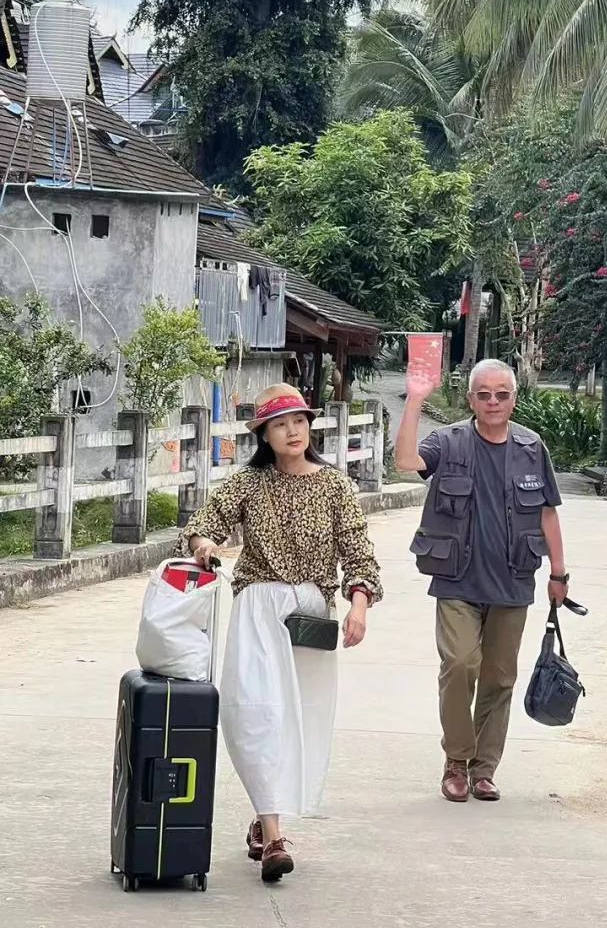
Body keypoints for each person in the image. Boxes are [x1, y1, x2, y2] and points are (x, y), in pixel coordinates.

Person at [181, 383, 382, 883]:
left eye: (298, 421)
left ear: (309, 426)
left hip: (311, 613)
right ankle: (274, 838)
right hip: (257, 605)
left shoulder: (335, 486)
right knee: (256, 712)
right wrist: (204, 543)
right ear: (264, 436)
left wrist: (358, 606)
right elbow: (208, 521)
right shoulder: (249, 484)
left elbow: (358, 551)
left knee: (300, 720)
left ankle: (265, 813)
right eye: (279, 424)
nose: (292, 431)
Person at [395, 358, 568, 804]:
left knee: (499, 677)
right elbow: (406, 461)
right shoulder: (448, 442)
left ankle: (484, 769)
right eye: (484, 394)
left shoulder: (532, 447)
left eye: (502, 394)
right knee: (459, 664)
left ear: (514, 398)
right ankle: (456, 760)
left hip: (513, 580)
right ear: (471, 399)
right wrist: (415, 401)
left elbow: (548, 512)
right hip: (457, 581)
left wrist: (559, 572)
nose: (493, 402)